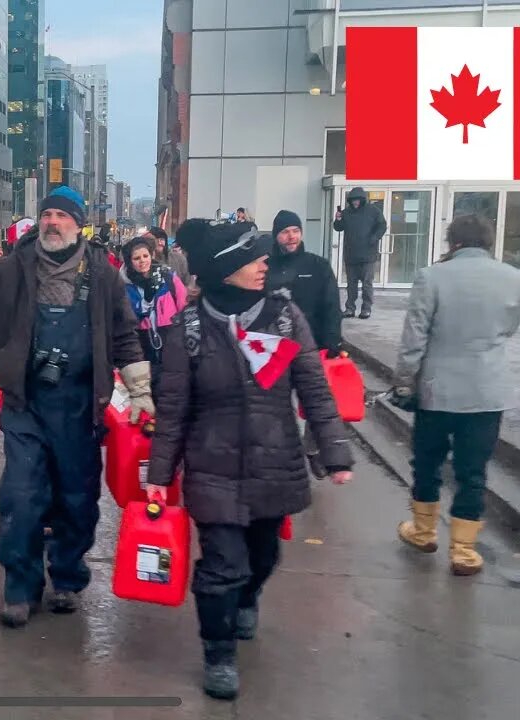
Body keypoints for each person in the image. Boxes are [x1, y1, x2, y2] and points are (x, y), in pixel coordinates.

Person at [145, 224, 354, 701]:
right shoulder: (189, 327)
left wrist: (334, 451)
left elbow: (315, 390)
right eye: (254, 258)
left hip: (273, 457)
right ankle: (218, 653)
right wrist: (159, 474)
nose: (265, 264)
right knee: (222, 564)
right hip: (210, 463)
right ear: (225, 267)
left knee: (262, 556)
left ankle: (248, 595)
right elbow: (173, 407)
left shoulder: (284, 317)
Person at [0, 186, 154, 628]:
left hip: (81, 406)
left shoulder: (103, 272)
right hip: (27, 405)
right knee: (21, 498)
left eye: (62, 215)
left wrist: (140, 390)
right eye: (47, 215)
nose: (53, 222)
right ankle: (20, 587)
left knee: (77, 500)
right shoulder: (12, 267)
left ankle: (66, 576)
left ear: (77, 223)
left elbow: (124, 333)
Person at [393, 214, 520, 576]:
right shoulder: (513, 278)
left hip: (438, 390)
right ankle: (464, 550)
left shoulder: (431, 277)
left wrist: (404, 381)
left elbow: (414, 337)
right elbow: (510, 328)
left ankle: (423, 531)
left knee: (427, 462)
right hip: (487, 390)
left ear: (452, 243)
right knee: (473, 470)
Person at [264, 210, 344, 478]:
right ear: (277, 236)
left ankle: (313, 449)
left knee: (316, 401)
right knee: (276, 405)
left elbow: (332, 305)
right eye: (286, 232)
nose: (291, 236)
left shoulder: (317, 266)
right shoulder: (266, 267)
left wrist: (333, 341)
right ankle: (281, 453)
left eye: (295, 231)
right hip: (275, 348)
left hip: (313, 347)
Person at [120, 235, 191, 387]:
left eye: (145, 256)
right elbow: (126, 317)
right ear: (129, 262)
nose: (142, 261)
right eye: (136, 258)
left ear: (151, 255)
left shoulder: (168, 278)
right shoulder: (125, 286)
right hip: (142, 343)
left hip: (169, 338)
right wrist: (144, 303)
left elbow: (184, 306)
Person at [334, 187, 387, 319]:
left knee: (367, 284)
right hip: (351, 255)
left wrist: (375, 237)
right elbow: (338, 228)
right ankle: (350, 309)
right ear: (350, 200)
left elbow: (382, 225)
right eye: (353, 200)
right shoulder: (346, 212)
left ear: (363, 200)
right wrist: (338, 219)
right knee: (351, 285)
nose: (355, 203)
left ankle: (366, 309)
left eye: (358, 200)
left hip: (368, 255)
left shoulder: (373, 211)